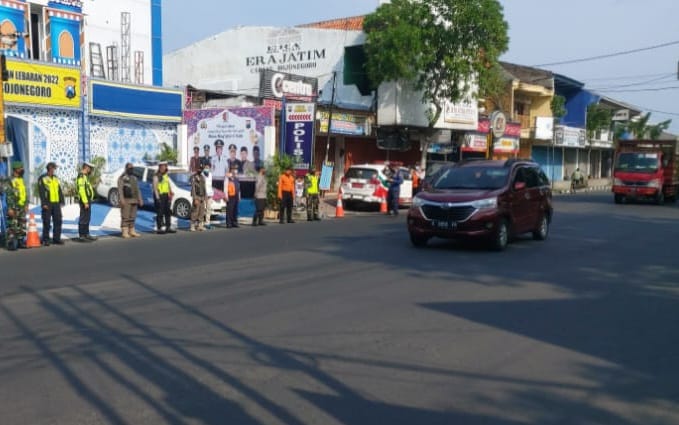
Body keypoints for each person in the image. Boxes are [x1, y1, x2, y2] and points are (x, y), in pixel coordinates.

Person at [38, 162, 64, 246]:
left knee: (58, 220)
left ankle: (56, 238)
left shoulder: (55, 178)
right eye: (53, 168)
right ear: (49, 168)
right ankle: (46, 239)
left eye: (54, 169)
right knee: (46, 221)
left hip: (56, 203)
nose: (54, 170)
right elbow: (41, 192)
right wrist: (43, 203)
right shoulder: (43, 178)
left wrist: (62, 200)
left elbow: (59, 190)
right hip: (47, 203)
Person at [5, 161, 28, 250]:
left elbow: (24, 193)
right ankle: (11, 243)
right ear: (16, 169)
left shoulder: (21, 179)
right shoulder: (10, 180)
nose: (22, 170)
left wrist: (26, 204)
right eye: (20, 168)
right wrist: (10, 208)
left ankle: (20, 242)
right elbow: (9, 194)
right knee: (12, 225)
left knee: (22, 224)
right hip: (14, 206)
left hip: (21, 206)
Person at [117, 163, 143, 239]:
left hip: (134, 200)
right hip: (126, 200)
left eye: (132, 168)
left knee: (132, 216)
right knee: (125, 216)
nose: (131, 169)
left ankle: (131, 230)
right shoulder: (122, 178)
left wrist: (140, 199)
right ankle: (125, 231)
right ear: (126, 168)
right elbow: (120, 190)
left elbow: (138, 189)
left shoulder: (134, 178)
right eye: (130, 168)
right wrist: (121, 199)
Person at [76, 162, 98, 242]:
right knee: (83, 217)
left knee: (87, 217)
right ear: (86, 167)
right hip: (84, 200)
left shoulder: (85, 176)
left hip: (87, 200)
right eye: (90, 168)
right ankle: (81, 236)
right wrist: (85, 202)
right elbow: (81, 190)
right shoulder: (81, 176)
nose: (91, 170)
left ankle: (86, 234)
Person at [152, 161, 175, 234]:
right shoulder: (156, 176)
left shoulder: (165, 175)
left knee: (168, 212)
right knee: (160, 212)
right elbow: (155, 188)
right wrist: (157, 198)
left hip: (166, 195)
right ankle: (159, 228)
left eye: (165, 166)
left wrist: (170, 192)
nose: (165, 168)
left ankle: (168, 227)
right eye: (163, 166)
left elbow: (168, 184)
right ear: (160, 167)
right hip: (160, 195)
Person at [190, 165, 207, 231]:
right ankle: (192, 225)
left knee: (201, 211)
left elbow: (204, 187)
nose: (200, 170)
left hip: (202, 197)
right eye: (199, 168)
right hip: (197, 196)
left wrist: (205, 197)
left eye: (201, 169)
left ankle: (200, 225)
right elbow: (193, 189)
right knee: (195, 211)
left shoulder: (202, 177)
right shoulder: (193, 177)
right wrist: (195, 198)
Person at [202, 164, 214, 229]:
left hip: (210, 194)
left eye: (208, 167)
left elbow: (210, 184)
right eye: (206, 167)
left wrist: (212, 193)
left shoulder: (210, 174)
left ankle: (207, 222)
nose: (207, 168)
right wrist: (205, 193)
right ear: (204, 168)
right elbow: (202, 186)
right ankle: (202, 223)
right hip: (204, 194)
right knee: (203, 209)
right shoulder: (202, 174)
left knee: (208, 209)